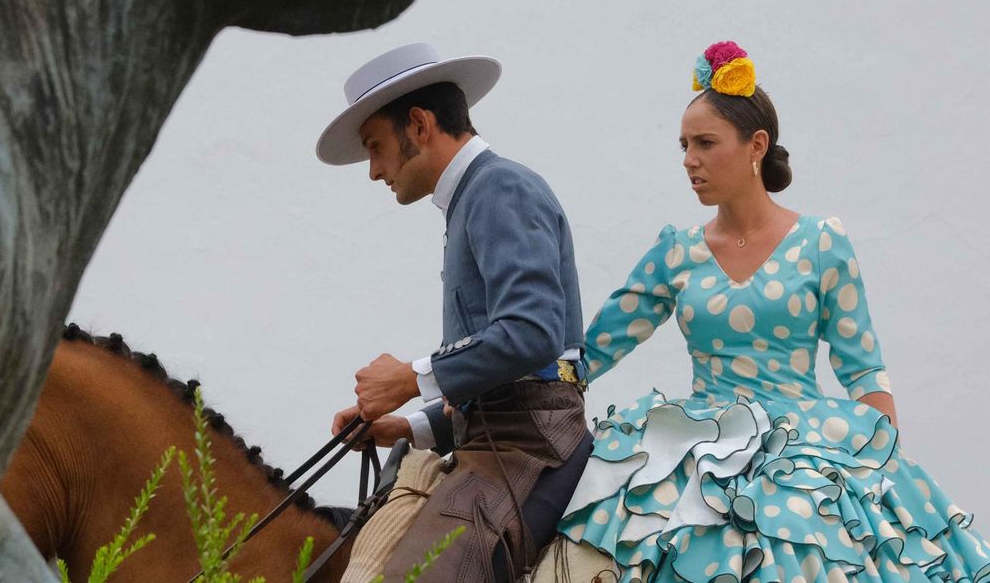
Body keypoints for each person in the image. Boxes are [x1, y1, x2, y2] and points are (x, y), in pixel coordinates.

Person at [557, 41, 990, 582]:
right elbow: (594, 350)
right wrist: (518, 383)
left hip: (807, 452)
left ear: (756, 145)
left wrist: (887, 472)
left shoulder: (821, 243)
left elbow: (862, 367)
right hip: (700, 453)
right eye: (684, 145)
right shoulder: (677, 251)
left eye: (706, 143)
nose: (689, 159)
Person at [318, 43, 594, 582]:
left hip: (534, 443)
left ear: (419, 125)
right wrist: (407, 427)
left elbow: (532, 333)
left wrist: (409, 377)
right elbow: (495, 371)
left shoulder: (500, 187)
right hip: (500, 439)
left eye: (375, 147)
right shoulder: (475, 196)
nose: (374, 171)